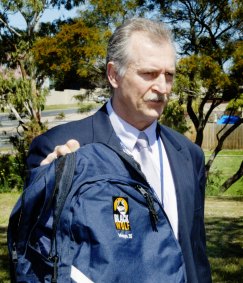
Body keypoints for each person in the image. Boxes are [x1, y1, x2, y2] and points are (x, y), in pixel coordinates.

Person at [27, 18, 212, 282]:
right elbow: (36, 260)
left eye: (169, 75)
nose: (162, 88)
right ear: (114, 74)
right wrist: (46, 186)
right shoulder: (61, 149)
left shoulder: (189, 155)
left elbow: (196, 256)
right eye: (149, 74)